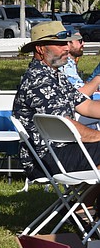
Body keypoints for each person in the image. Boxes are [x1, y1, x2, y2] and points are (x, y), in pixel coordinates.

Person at [12, 21, 100, 178]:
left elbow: (86, 105)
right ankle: (83, 203)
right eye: (59, 45)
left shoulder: (55, 74)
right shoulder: (37, 80)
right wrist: (97, 136)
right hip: (44, 157)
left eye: (65, 43)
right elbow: (65, 126)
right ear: (40, 49)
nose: (66, 48)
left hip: (63, 150)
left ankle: (82, 203)